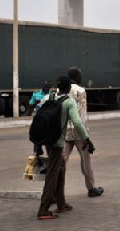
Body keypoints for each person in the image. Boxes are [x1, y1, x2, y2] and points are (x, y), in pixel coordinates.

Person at [37, 76, 95, 220]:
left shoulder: (48, 97)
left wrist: (37, 144)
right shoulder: (69, 102)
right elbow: (77, 122)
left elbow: (39, 118)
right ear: (68, 88)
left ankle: (61, 204)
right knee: (52, 174)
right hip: (57, 143)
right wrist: (87, 139)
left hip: (47, 140)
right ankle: (43, 209)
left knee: (61, 168)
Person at [63, 67, 104, 198]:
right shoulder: (81, 91)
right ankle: (91, 189)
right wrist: (86, 137)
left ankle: (55, 192)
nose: (81, 77)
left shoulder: (60, 91)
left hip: (64, 132)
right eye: (80, 75)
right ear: (76, 76)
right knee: (86, 161)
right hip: (79, 132)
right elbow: (82, 114)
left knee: (60, 162)